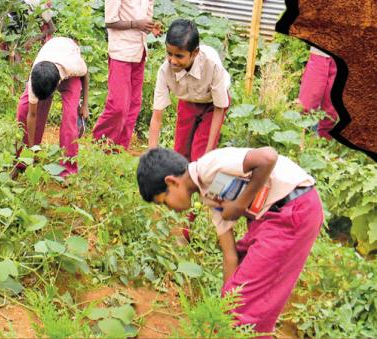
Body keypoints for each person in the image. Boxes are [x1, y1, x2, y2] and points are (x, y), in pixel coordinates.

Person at [136, 147, 323, 335]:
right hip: (271, 219)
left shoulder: (210, 166)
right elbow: (230, 256)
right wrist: (226, 303)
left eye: (164, 202)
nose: (169, 209)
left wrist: (239, 204)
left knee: (244, 310)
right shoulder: (210, 196)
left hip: (293, 211)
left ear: (172, 182)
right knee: (237, 295)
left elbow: (268, 157)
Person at [147, 19, 230, 162]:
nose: (172, 60)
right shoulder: (165, 71)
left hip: (212, 105)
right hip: (187, 102)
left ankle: (199, 179)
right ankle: (182, 181)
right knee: (180, 153)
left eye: (179, 56)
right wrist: (151, 157)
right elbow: (157, 116)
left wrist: (208, 154)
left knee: (200, 155)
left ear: (195, 52)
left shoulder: (212, 65)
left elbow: (219, 108)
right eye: (169, 53)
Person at [14, 36, 89, 177]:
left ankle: (68, 170)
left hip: (68, 65)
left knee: (70, 119)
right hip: (50, 56)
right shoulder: (36, 77)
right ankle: (23, 161)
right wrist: (31, 149)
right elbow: (32, 114)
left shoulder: (73, 66)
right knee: (23, 109)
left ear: (56, 86)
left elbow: (85, 75)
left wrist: (85, 105)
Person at [92, 0, 156, 150]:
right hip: (121, 51)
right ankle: (99, 143)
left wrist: (150, 26)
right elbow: (110, 21)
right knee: (118, 106)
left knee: (134, 105)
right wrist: (135, 24)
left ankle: (119, 150)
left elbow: (147, 19)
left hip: (140, 50)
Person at [298, 46, 338, 139]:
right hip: (320, 54)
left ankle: (322, 147)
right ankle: (297, 145)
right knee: (306, 105)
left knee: (331, 113)